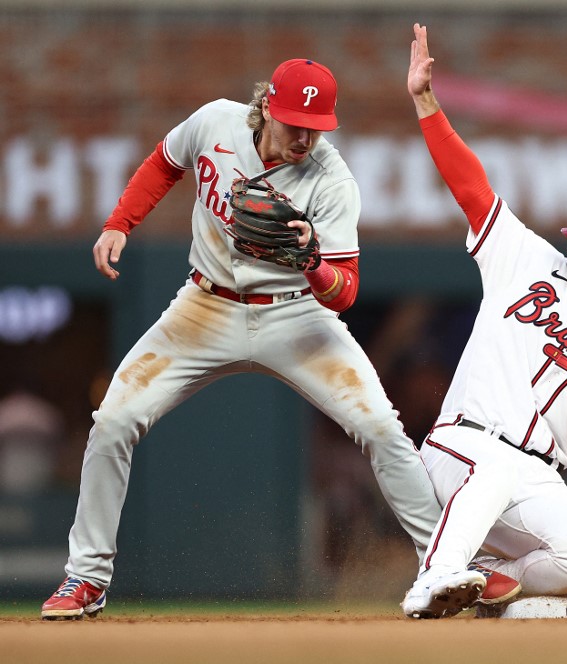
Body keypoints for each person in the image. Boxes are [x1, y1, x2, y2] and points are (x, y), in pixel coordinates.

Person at [41, 58, 441, 620]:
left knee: (380, 427)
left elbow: (344, 292)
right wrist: (118, 223)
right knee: (111, 422)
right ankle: (85, 578)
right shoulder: (215, 124)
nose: (304, 136)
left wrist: (310, 264)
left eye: (316, 125)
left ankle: (444, 566)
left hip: (297, 315)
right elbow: (164, 163)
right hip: (204, 306)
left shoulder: (331, 179)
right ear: (266, 108)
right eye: (294, 121)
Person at [400, 23, 567, 619]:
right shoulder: (525, 260)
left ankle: (487, 580)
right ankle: (436, 577)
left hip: (536, 480)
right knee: (497, 463)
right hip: (461, 448)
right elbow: (471, 186)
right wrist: (426, 102)